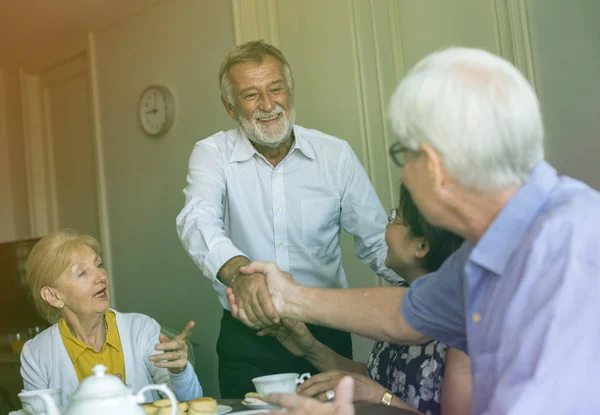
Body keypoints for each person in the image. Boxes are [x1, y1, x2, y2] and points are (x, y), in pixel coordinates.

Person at [228, 47, 600, 414]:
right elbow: (405, 314)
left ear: (434, 165)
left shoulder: (568, 247)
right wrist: (285, 298)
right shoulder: (486, 249)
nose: (403, 174)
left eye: (401, 154)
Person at [176, 40, 399, 397]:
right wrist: (239, 274)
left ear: (290, 91)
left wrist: (432, 290)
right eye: (250, 95)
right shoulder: (212, 153)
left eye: (275, 89)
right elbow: (196, 219)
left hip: (326, 334)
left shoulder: (334, 155)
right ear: (229, 106)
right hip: (247, 337)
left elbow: (376, 242)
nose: (267, 105)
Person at [254, 184, 470, 414]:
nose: (387, 227)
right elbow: (376, 379)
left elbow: (377, 391)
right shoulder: (394, 304)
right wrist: (311, 349)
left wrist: (380, 397)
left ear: (422, 245)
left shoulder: (462, 320)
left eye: (396, 219)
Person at [20, 230, 203, 406]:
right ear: (54, 296)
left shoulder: (140, 329)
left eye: (99, 265)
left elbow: (191, 403)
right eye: (82, 273)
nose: (101, 276)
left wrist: (179, 372)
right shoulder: (36, 354)